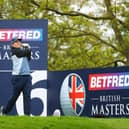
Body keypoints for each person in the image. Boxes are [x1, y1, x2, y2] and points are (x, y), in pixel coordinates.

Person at [0, 37, 32, 116]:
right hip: (18, 78)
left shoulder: (22, 50)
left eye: (19, 42)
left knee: (27, 96)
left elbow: (29, 57)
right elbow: (24, 53)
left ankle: (27, 115)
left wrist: (27, 48)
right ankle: (4, 111)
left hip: (27, 76)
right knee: (15, 97)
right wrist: (28, 47)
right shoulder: (14, 51)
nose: (19, 43)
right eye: (17, 42)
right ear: (13, 44)